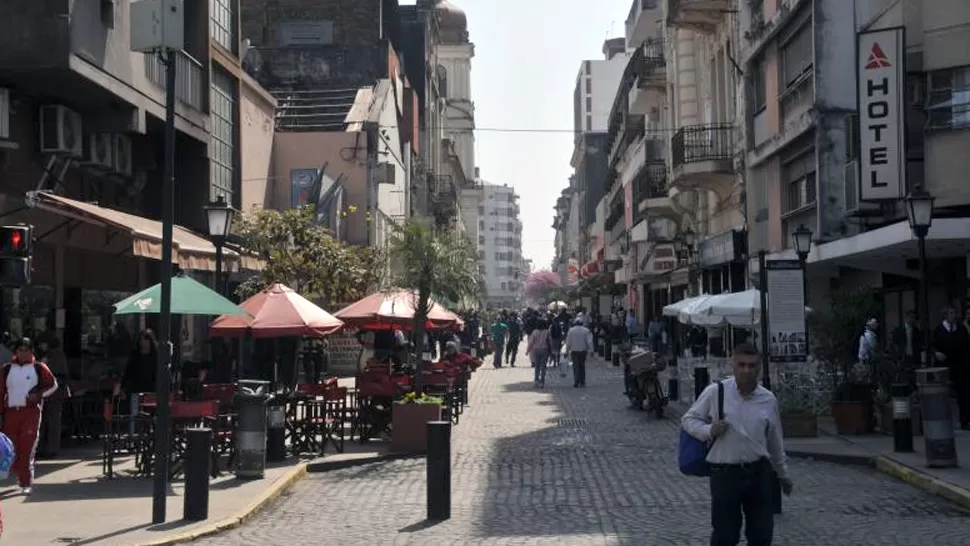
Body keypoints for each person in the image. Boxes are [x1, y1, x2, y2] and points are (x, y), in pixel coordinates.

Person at [682, 342, 792, 546]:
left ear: (759, 369)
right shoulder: (716, 392)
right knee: (725, 535)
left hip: (758, 473)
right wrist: (709, 430)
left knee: (761, 535)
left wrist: (783, 474)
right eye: (741, 365)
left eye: (752, 366)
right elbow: (689, 420)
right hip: (725, 474)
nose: (746, 370)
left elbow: (775, 441)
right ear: (733, 366)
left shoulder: (768, 399)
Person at [0, 337, 58, 495]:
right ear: (15, 352)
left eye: (26, 350)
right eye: (20, 350)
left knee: (27, 447)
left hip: (30, 412)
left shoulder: (39, 368)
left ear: (31, 351)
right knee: (13, 448)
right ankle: (20, 475)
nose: (23, 353)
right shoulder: (7, 369)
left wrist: (38, 395)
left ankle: (26, 481)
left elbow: (53, 384)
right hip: (11, 413)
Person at [933, 306, 970, 429]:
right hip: (945, 364)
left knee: (963, 393)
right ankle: (943, 420)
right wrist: (936, 352)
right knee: (944, 393)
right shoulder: (939, 330)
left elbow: (966, 345)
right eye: (951, 313)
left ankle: (964, 420)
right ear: (946, 316)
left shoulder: (961, 329)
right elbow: (933, 345)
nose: (954, 316)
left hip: (960, 365)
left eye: (954, 313)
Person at [563, 317, 594, 388]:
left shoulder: (571, 330)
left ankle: (576, 380)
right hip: (583, 351)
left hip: (574, 351)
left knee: (575, 366)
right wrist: (591, 350)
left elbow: (568, 342)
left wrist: (566, 351)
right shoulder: (586, 330)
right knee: (582, 366)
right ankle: (582, 381)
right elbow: (589, 341)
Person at [526, 318, 553, 388]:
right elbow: (549, 342)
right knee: (543, 366)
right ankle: (542, 382)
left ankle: (536, 380)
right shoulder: (547, 332)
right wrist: (551, 352)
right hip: (544, 350)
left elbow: (531, 342)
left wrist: (528, 350)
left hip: (536, 350)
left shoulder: (534, 332)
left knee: (537, 366)